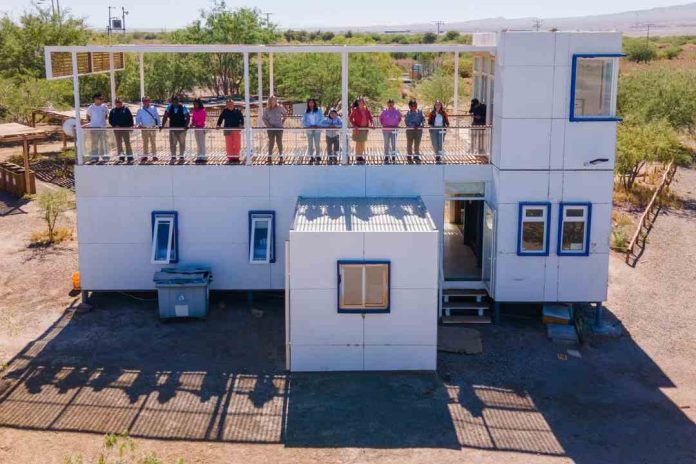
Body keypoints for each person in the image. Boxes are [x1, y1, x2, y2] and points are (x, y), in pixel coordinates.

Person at [161, 96, 190, 161]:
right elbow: (165, 116)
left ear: (178, 100)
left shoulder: (183, 107)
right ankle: (173, 156)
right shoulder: (169, 107)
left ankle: (181, 156)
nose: (175, 102)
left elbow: (188, 117)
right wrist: (162, 125)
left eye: (176, 100)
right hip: (172, 128)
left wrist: (186, 126)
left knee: (182, 143)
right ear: (172, 101)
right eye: (173, 101)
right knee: (172, 143)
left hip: (181, 129)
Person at [262, 95, 287, 163]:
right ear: (269, 101)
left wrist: (283, 120)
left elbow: (285, 113)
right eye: (272, 100)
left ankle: (281, 157)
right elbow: (264, 118)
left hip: (279, 127)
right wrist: (268, 125)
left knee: (279, 142)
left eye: (274, 100)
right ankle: (269, 157)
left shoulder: (280, 107)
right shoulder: (266, 109)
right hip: (270, 128)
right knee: (271, 142)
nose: (273, 101)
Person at [84, 93, 109, 162]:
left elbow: (106, 115)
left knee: (103, 142)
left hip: (102, 128)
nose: (101, 100)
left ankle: (105, 156)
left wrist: (102, 122)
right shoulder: (91, 107)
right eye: (100, 99)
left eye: (102, 99)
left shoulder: (104, 106)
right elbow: (88, 116)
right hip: (94, 128)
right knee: (94, 143)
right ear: (95, 99)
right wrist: (93, 123)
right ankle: (95, 157)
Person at [135, 96, 161, 162]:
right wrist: (138, 124)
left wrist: (159, 125)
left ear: (149, 101)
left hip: (152, 127)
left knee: (153, 142)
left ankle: (154, 156)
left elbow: (157, 117)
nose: (145, 102)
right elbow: (137, 119)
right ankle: (145, 156)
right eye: (144, 101)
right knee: (145, 142)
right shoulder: (140, 110)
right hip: (144, 128)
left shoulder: (153, 108)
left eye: (146, 100)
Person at [108, 98, 134, 162]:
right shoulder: (112, 111)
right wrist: (114, 125)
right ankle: (121, 157)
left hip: (125, 129)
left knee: (127, 143)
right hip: (117, 130)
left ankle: (130, 157)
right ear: (115, 103)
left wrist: (130, 126)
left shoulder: (126, 109)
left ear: (121, 102)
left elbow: (130, 118)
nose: (118, 103)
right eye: (117, 102)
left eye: (119, 102)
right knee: (119, 144)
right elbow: (110, 120)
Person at [349, 97, 373, 163]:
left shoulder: (366, 109)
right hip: (358, 129)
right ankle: (358, 157)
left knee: (363, 143)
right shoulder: (355, 110)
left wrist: (372, 124)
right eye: (360, 102)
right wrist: (355, 125)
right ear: (358, 103)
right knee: (358, 143)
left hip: (364, 128)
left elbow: (370, 117)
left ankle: (360, 156)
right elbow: (351, 118)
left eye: (362, 102)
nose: (361, 103)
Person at [379, 98, 401, 163]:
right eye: (389, 103)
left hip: (394, 130)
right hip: (386, 130)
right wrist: (385, 125)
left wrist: (395, 124)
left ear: (393, 103)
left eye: (391, 103)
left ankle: (393, 157)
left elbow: (399, 119)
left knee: (393, 144)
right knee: (386, 144)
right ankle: (386, 157)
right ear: (387, 104)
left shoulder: (397, 111)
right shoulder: (384, 111)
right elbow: (380, 119)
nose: (390, 104)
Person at [302, 98, 323, 164]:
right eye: (310, 102)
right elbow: (303, 120)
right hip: (309, 129)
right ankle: (311, 156)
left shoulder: (319, 110)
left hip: (317, 128)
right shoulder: (306, 111)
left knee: (317, 143)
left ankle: (317, 155)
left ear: (314, 103)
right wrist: (309, 125)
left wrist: (317, 125)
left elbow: (321, 118)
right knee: (310, 144)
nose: (311, 104)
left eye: (312, 102)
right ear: (308, 104)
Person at [404, 99, 425, 163]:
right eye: (412, 106)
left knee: (417, 144)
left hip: (418, 131)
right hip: (410, 130)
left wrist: (420, 126)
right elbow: (406, 121)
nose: (413, 107)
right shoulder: (408, 113)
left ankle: (416, 157)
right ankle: (409, 157)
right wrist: (413, 126)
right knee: (409, 144)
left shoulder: (420, 112)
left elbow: (423, 120)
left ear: (416, 105)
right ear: (409, 106)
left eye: (415, 105)